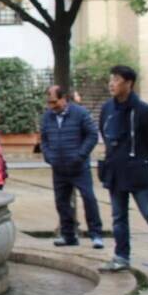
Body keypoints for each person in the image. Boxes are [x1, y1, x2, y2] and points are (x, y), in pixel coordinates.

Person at [97, 65, 148, 273]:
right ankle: (121, 256)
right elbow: (105, 131)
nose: (111, 83)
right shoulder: (107, 109)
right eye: (110, 78)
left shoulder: (144, 110)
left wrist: (140, 160)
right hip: (115, 171)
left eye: (117, 79)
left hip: (137, 171)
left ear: (129, 83)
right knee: (118, 217)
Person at [41, 86, 104, 249]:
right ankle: (68, 235)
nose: (51, 106)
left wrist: (80, 156)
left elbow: (92, 135)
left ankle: (96, 235)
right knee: (61, 202)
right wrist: (49, 156)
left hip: (79, 168)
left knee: (89, 199)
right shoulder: (47, 117)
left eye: (54, 102)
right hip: (59, 168)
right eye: (49, 102)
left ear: (64, 99)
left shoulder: (80, 113)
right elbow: (44, 139)